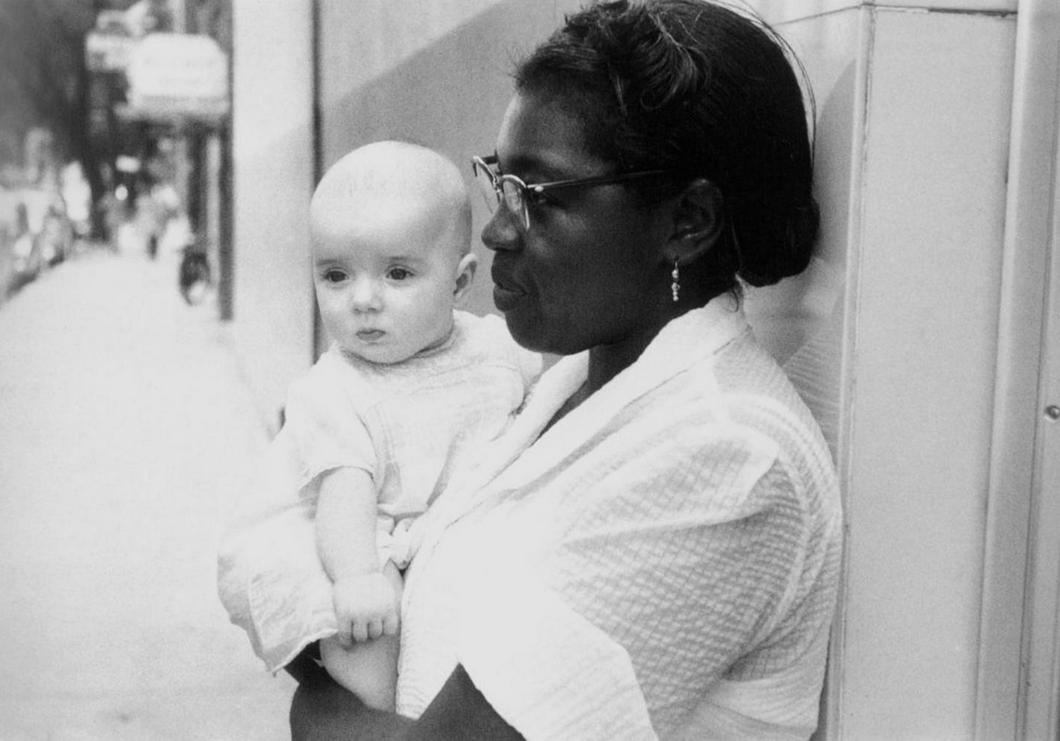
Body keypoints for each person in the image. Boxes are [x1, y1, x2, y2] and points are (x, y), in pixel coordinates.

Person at [279, 1, 842, 738]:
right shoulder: (567, 385)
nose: (495, 229)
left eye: (537, 197)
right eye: (499, 181)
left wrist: (317, 702)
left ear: (687, 222)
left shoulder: (731, 459)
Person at [217, 141, 541, 711]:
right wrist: (357, 577)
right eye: (336, 276)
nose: (363, 300)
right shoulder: (334, 389)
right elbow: (345, 491)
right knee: (367, 630)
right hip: (375, 535)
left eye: (397, 273)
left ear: (459, 282)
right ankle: (382, 714)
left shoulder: (495, 349)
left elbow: (537, 411)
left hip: (466, 521)